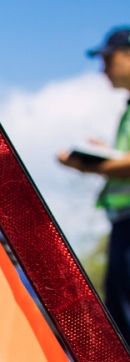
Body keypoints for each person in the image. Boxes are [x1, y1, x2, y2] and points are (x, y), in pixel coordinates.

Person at [59, 27, 130, 341]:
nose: (103, 69)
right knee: (119, 305)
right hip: (122, 221)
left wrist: (88, 165)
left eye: (108, 59)